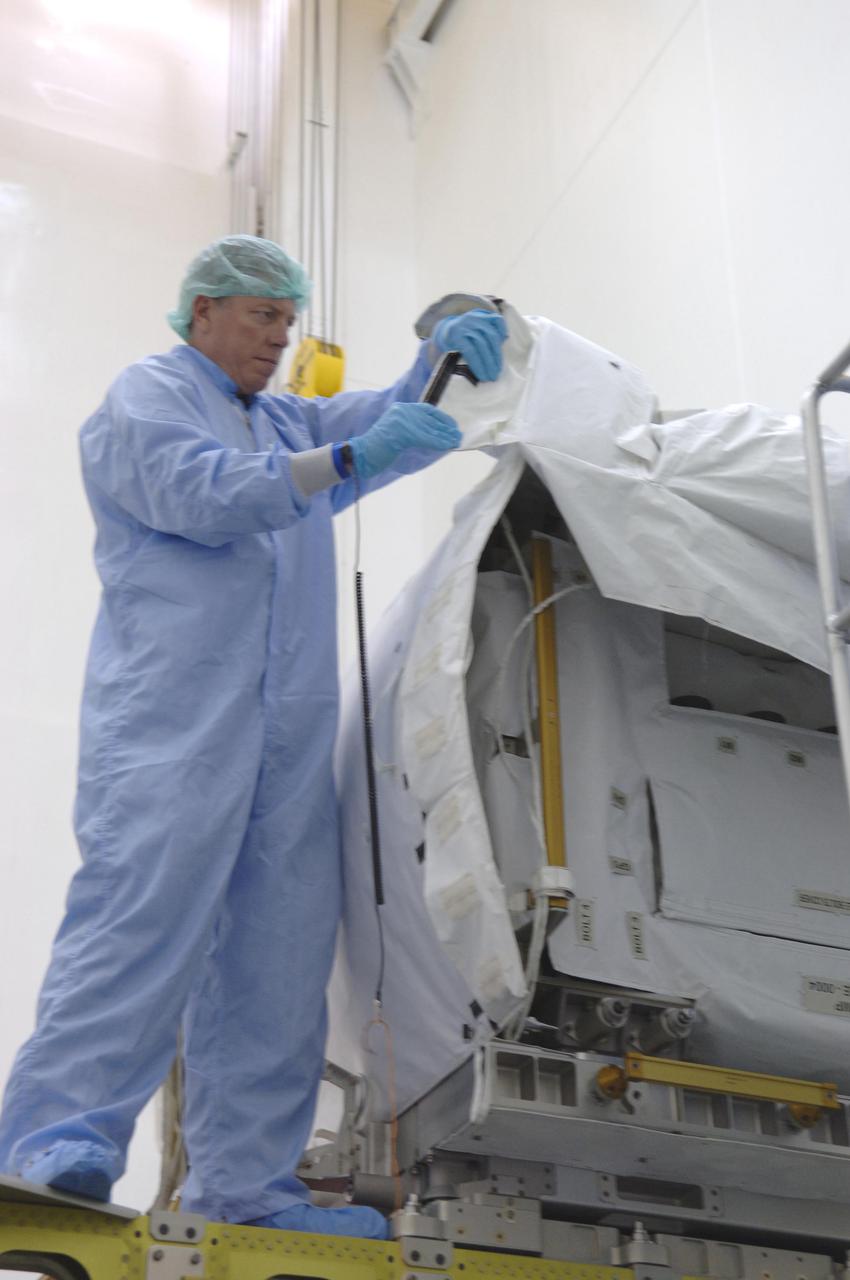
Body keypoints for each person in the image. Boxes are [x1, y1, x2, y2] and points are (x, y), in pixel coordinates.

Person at [0, 235, 507, 1237]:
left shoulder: (285, 420)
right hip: (174, 723)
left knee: (279, 959)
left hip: (288, 737)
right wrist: (352, 458)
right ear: (203, 312)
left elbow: (385, 423)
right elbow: (206, 492)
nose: (279, 336)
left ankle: (245, 1187)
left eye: (287, 318)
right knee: (141, 920)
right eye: (261, 315)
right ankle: (52, 1137)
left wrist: (442, 357)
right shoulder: (148, 396)